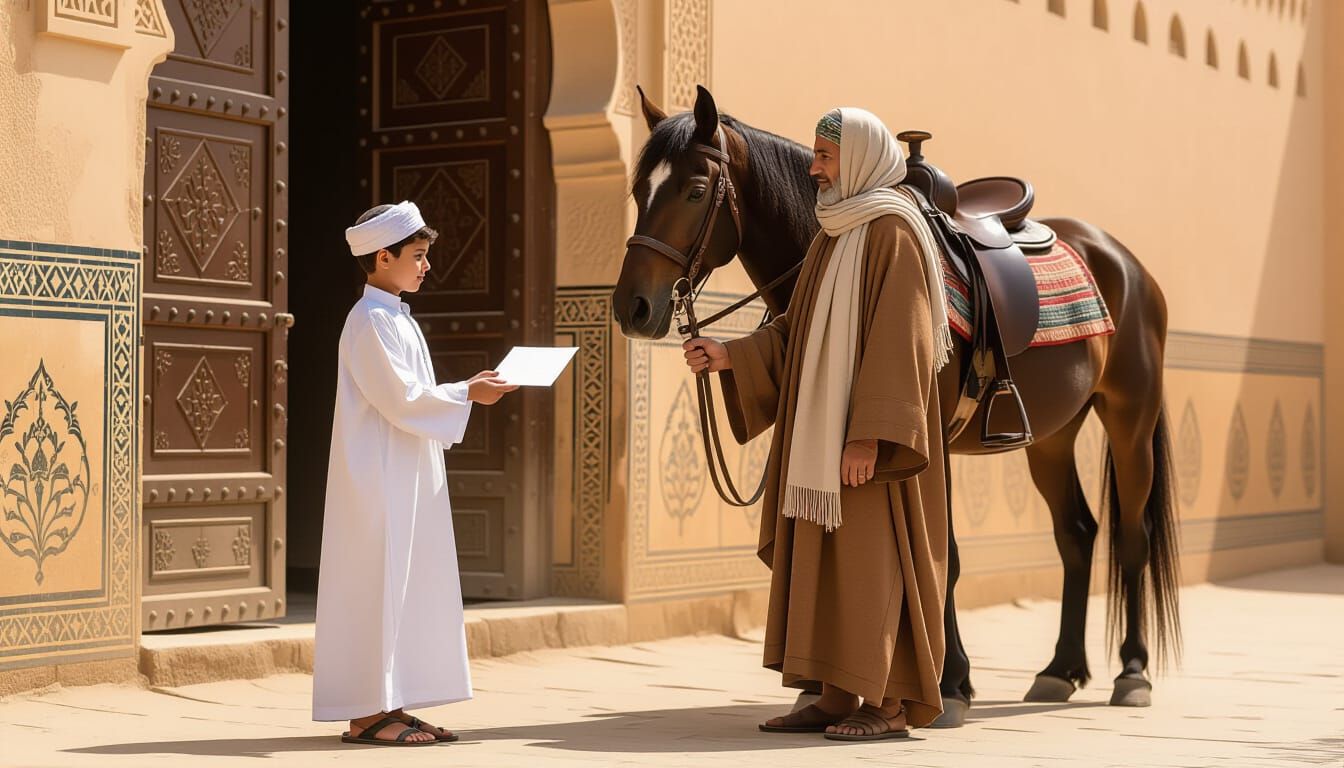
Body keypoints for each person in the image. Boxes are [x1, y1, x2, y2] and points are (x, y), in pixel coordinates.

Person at [683, 109, 951, 741]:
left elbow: (901, 342)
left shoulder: (893, 232)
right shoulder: (834, 231)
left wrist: (868, 436)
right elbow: (798, 327)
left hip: (865, 442)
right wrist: (733, 355)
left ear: (857, 159)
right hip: (817, 433)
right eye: (815, 156)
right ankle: (835, 692)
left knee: (871, 560)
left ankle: (887, 703)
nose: (813, 169)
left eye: (826, 158)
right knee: (823, 557)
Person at [312, 201, 517, 746]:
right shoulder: (370, 321)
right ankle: (366, 714)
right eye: (419, 256)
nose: (427, 266)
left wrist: (463, 390)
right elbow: (400, 399)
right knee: (378, 586)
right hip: (377, 481)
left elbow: (412, 397)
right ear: (384, 257)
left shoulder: (395, 317)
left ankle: (393, 704)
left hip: (403, 473)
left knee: (405, 587)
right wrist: (467, 392)